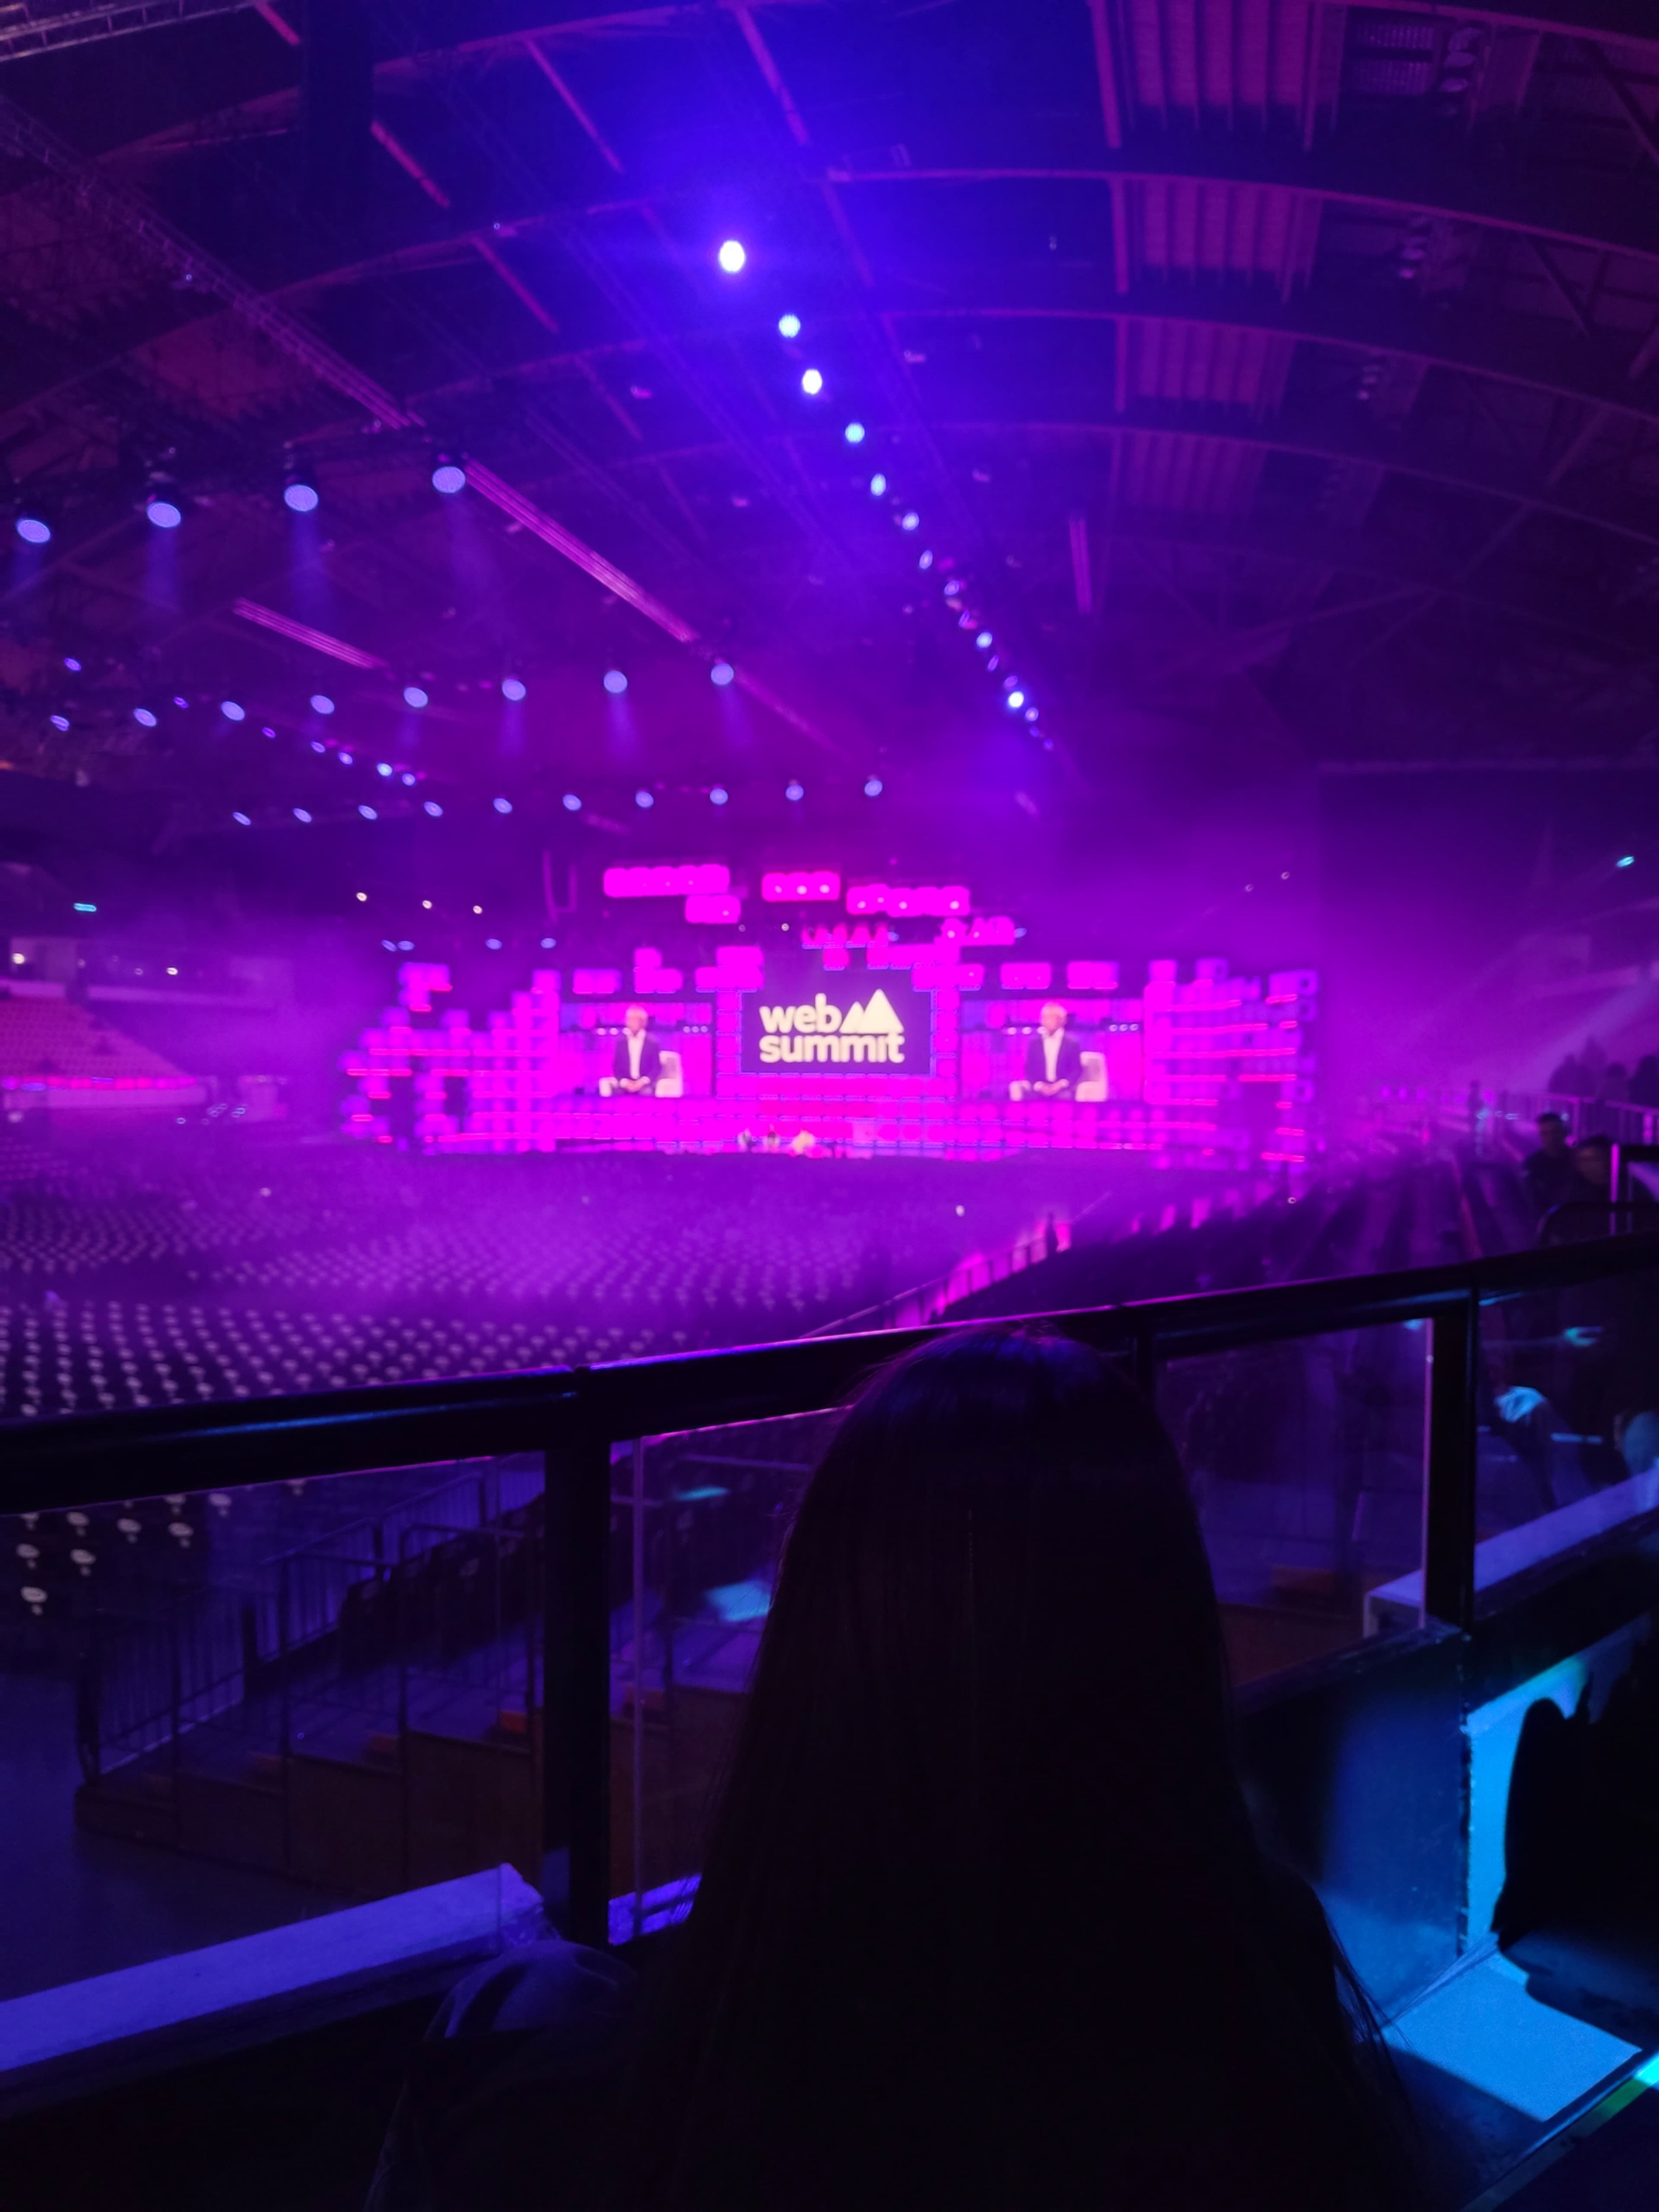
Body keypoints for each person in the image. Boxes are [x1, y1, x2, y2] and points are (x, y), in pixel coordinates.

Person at [367, 1326, 1423, 2212]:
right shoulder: (1262, 1967)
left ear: (826, 1626)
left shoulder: (628, 2098)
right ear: (1167, 1625)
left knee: (517, 1991)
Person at [1014, 1000, 1082, 1099]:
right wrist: (1039, 1086)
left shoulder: (1072, 1043)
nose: (1048, 1021)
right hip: (1040, 1088)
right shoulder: (1034, 1043)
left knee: (1064, 1098)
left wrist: (1061, 1084)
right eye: (1045, 1018)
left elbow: (1076, 1070)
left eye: (1053, 1017)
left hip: (1062, 1088)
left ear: (1062, 1020)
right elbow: (1029, 1069)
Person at [1521, 1111, 1577, 1220]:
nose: (1551, 1138)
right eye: (1546, 1133)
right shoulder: (1533, 1165)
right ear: (1540, 1136)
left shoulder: (1578, 1160)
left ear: (1564, 1133)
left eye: (1556, 1132)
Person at [609, 1007, 661, 1096]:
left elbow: (656, 1068)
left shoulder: (653, 1043)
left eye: (634, 1020)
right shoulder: (620, 1043)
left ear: (643, 1022)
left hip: (644, 1084)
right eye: (628, 1020)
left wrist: (643, 1082)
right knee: (617, 1095)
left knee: (646, 1093)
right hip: (626, 1084)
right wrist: (624, 1082)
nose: (630, 1023)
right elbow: (616, 1067)